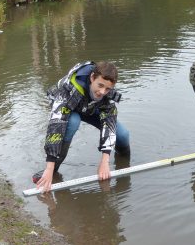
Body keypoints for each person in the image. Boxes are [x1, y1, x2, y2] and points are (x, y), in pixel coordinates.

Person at [33, 61, 131, 192]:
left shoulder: (107, 92)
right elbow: (55, 128)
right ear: (92, 78)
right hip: (70, 105)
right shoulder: (68, 91)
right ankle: (53, 169)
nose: (102, 92)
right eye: (100, 85)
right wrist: (49, 168)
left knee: (123, 134)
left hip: (90, 107)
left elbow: (109, 123)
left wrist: (104, 161)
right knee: (73, 122)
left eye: (107, 89)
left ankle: (125, 165)